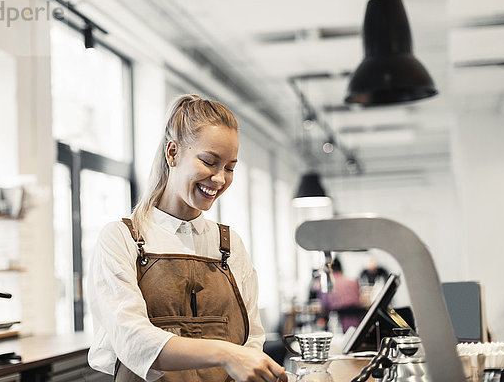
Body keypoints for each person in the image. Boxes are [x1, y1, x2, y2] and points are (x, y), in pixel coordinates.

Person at [86, 95, 287, 382]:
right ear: (172, 153)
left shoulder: (229, 246)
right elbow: (133, 340)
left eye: (230, 167)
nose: (219, 179)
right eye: (209, 161)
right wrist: (226, 354)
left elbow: (251, 340)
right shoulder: (122, 239)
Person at [315, 258, 364, 333]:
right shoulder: (353, 282)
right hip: (359, 325)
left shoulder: (326, 285)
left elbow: (324, 307)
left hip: (338, 326)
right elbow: (360, 301)